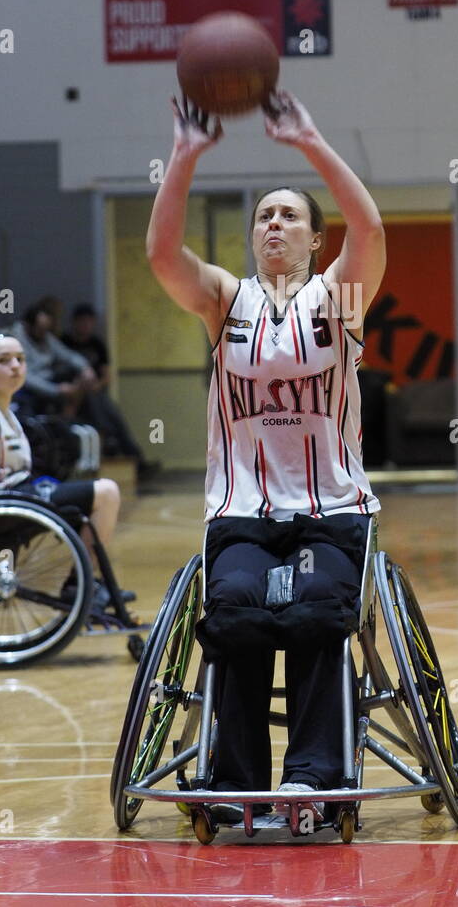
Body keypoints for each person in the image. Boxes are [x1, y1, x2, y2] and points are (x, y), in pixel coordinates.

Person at [146, 86, 386, 825]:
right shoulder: (224, 300)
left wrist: (309, 140)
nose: (273, 223)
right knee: (238, 611)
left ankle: (311, 781)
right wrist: (183, 156)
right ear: (251, 237)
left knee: (316, 613)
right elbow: (161, 253)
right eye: (262, 215)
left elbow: (371, 230)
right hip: (242, 515)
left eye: (289, 215)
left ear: (315, 239)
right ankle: (234, 781)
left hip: (330, 515)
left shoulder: (336, 300)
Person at [0, 328, 126, 603]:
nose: (16, 366)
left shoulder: (5, 411)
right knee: (107, 492)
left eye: (20, 358)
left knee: (90, 496)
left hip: (13, 500)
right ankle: (78, 586)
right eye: (4, 360)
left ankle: (82, 582)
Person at [61, 303, 160, 493]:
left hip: (95, 394)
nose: (86, 326)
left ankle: (137, 459)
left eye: (89, 322)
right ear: (75, 323)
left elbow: (106, 376)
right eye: (82, 322)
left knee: (114, 415)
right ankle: (111, 440)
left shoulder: (97, 344)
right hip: (74, 397)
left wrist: (95, 387)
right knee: (97, 405)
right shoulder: (65, 343)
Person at [10, 301, 97, 419]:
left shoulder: (45, 337)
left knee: (83, 381)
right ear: (28, 326)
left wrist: (85, 368)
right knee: (88, 398)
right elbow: (26, 377)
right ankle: (67, 421)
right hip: (31, 387)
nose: (43, 334)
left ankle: (73, 420)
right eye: (40, 329)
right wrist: (56, 390)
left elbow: (68, 355)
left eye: (46, 329)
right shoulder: (14, 340)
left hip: (50, 379)